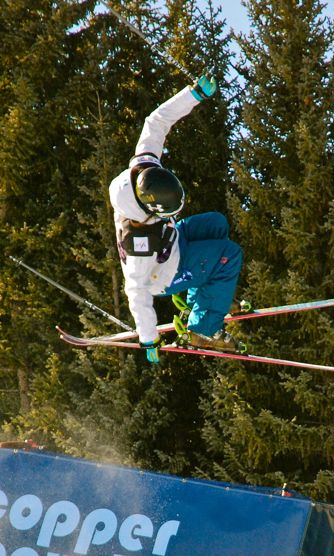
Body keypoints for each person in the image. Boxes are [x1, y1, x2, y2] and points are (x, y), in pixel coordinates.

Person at [108, 75, 244, 364]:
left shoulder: (144, 165)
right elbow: (135, 290)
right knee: (230, 255)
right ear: (152, 210)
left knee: (217, 223)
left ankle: (205, 299)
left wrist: (193, 95)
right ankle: (203, 328)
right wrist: (149, 338)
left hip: (172, 241)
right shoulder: (139, 241)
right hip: (165, 272)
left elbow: (156, 121)